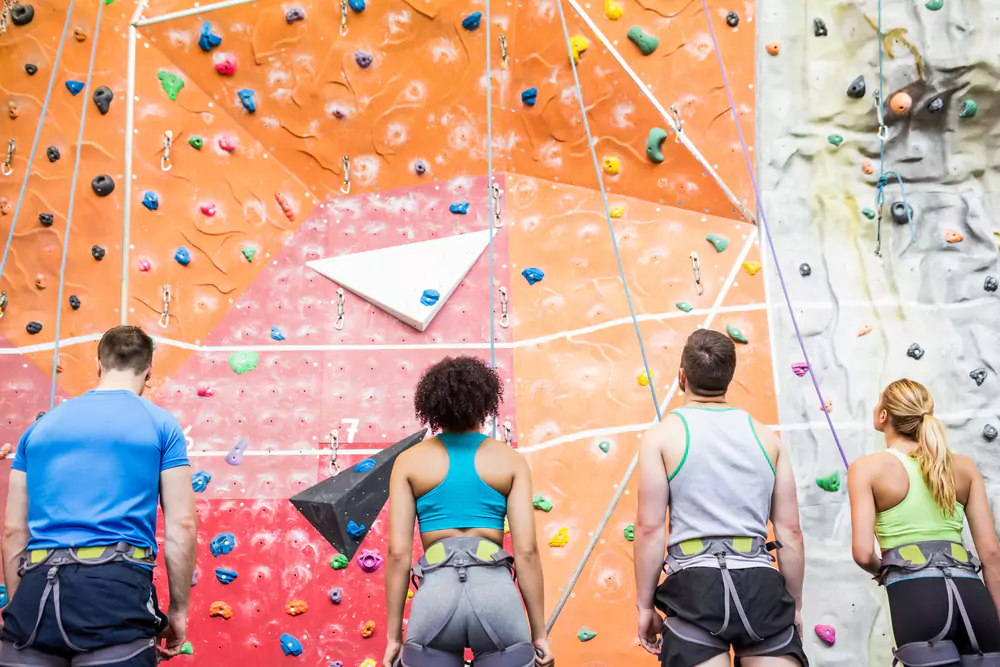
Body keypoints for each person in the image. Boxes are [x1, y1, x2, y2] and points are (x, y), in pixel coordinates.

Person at [1, 325, 197, 667]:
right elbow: (181, 525)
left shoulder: (37, 430)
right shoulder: (161, 425)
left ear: (98, 365)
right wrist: (178, 610)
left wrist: (25, 608)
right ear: (149, 370)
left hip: (34, 597)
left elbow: (13, 533)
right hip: (114, 593)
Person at [633, 328, 808, 667]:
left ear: (681, 377)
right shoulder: (767, 439)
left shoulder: (662, 436)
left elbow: (650, 530)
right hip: (761, 588)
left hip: (695, 591)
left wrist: (644, 607)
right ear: (729, 378)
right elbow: (790, 532)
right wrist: (794, 605)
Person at [382, 356, 554, 667]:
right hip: (497, 597)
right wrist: (539, 633)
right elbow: (527, 552)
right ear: (486, 404)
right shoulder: (510, 460)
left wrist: (394, 637)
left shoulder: (409, 462)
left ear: (433, 407)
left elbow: (398, 554)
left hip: (435, 597)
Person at [848, 379, 1000, 665]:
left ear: (883, 416)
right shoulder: (963, 467)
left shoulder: (866, 469)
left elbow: (862, 552)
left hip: (917, 597)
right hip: (973, 599)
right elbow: (991, 555)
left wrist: (885, 570)